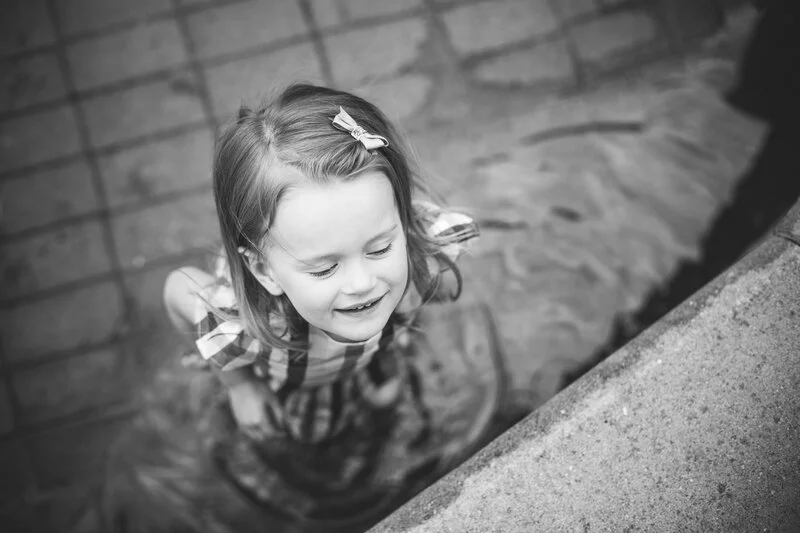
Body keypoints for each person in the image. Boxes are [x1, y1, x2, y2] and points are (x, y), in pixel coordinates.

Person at [102, 84, 506, 533]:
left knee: (385, 381)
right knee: (312, 442)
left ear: (401, 216)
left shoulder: (411, 247)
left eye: (379, 248)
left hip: (369, 355)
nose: (362, 283)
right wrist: (239, 386)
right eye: (324, 268)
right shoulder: (255, 322)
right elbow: (180, 290)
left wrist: (425, 274)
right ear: (265, 270)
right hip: (299, 387)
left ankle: (376, 377)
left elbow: (426, 247)